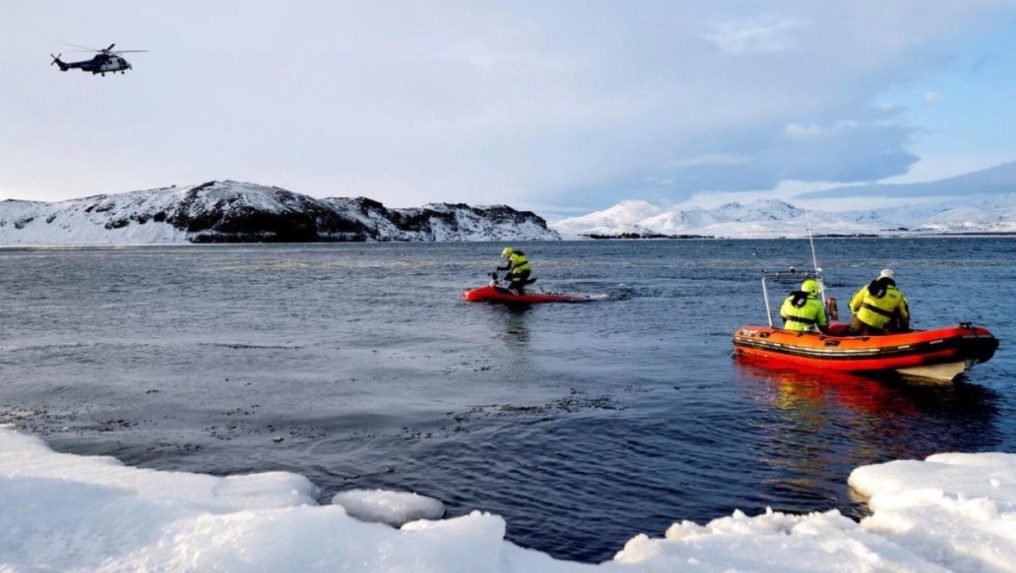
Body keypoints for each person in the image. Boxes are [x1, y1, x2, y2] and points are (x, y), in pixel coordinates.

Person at [847, 268, 909, 335]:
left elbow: (853, 304)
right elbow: (904, 315)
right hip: (877, 326)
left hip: (860, 321)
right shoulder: (898, 295)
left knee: (849, 333)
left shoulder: (868, 287)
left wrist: (855, 313)